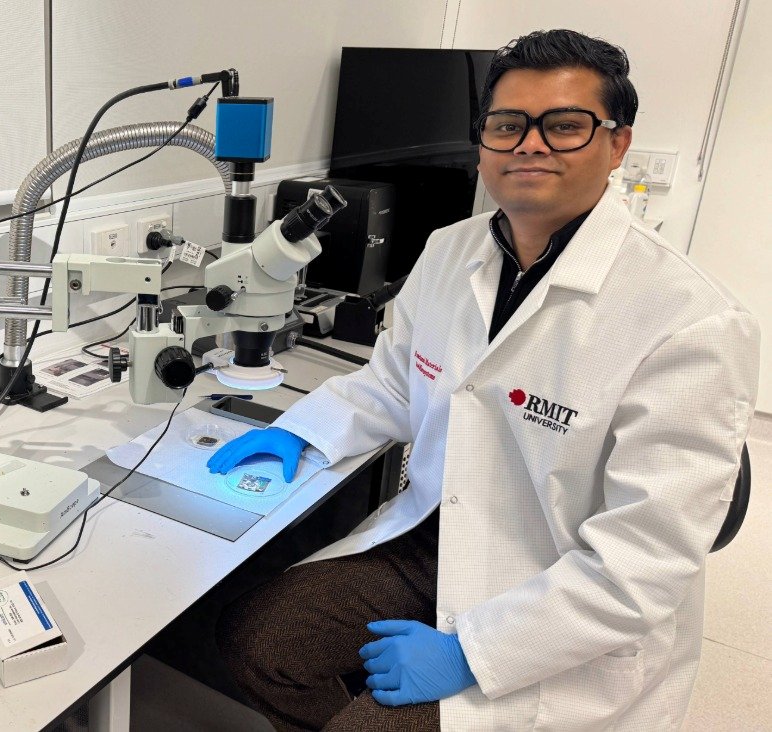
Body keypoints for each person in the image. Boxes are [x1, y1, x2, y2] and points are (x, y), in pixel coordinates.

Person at [209, 29, 760, 731]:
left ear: (617, 143)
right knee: (260, 644)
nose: (530, 145)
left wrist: (471, 652)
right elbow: (395, 384)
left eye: (564, 126)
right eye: (507, 125)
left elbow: (642, 564)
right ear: (483, 143)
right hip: (440, 539)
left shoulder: (692, 321)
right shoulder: (450, 250)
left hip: (566, 589)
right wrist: (301, 432)